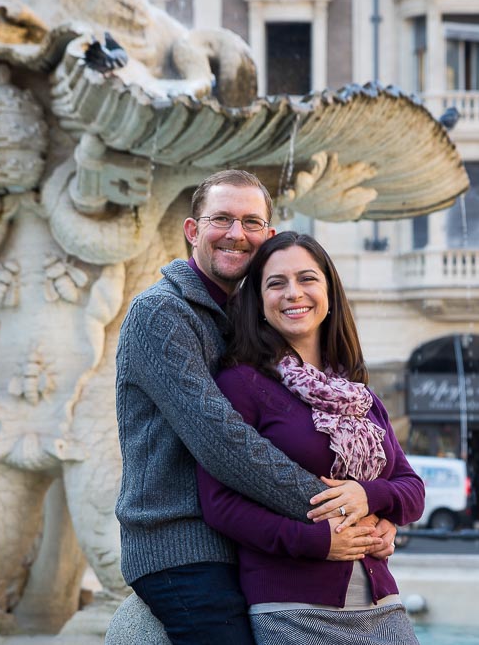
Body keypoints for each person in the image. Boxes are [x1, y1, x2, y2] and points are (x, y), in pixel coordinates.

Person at [115, 171, 393, 644]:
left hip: (245, 542)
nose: (236, 234)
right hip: (180, 545)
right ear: (192, 231)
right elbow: (222, 440)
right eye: (220, 219)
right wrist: (343, 511)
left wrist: (376, 505)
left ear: (266, 235)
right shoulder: (160, 312)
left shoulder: (250, 316)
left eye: (251, 222)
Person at [196, 231, 424, 643]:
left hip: (382, 605)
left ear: (329, 293)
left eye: (307, 279)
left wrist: (369, 497)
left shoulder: (359, 394)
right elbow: (220, 505)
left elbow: (411, 488)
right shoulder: (241, 385)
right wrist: (318, 541)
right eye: (276, 283)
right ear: (260, 304)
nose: (293, 293)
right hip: (293, 609)